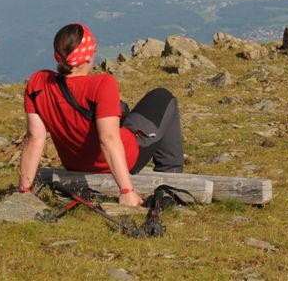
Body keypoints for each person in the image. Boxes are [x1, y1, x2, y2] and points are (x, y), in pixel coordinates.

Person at [18, 23, 185, 207]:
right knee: (162, 97)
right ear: (88, 57)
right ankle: (171, 179)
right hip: (125, 158)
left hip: (74, 164)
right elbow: (108, 139)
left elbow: (34, 138)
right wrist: (126, 191)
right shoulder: (102, 84)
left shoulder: (38, 82)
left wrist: (24, 190)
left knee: (124, 113)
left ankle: (167, 179)